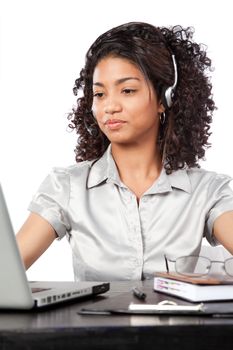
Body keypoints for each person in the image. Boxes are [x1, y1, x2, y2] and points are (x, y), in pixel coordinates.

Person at [16, 22, 233, 281]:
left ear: (165, 99)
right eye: (99, 94)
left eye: (127, 90)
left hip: (176, 322)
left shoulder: (207, 191)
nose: (110, 106)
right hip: (92, 323)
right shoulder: (67, 187)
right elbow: (5, 273)